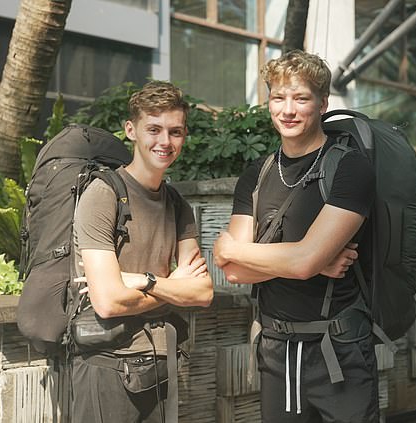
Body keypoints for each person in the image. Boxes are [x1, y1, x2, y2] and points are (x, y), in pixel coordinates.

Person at [214, 50, 378, 422]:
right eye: (278, 97)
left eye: (300, 98)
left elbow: (295, 261)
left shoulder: (350, 167)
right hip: (276, 348)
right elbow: (236, 272)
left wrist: (239, 249)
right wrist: (314, 261)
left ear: (322, 104)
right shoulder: (257, 173)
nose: (287, 110)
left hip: (339, 349)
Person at [71, 80, 214, 423]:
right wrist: (170, 286)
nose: (165, 142)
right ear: (131, 130)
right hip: (106, 365)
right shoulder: (102, 195)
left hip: (160, 361)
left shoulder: (177, 203)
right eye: (154, 129)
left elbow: (202, 293)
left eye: (175, 132)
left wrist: (143, 281)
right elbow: (107, 302)